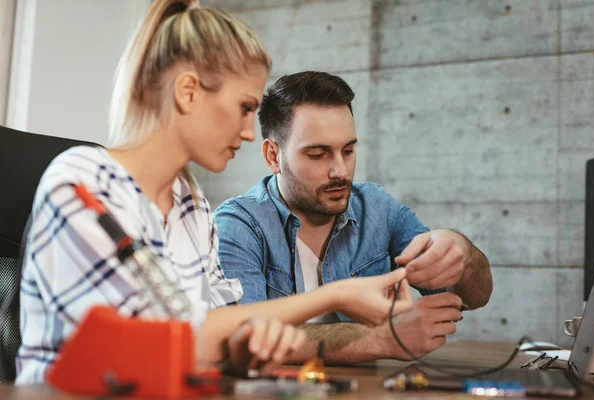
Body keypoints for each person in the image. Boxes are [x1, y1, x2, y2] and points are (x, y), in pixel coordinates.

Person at [15, 2, 413, 384]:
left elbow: (221, 332)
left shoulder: (193, 204)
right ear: (188, 91)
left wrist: (252, 345)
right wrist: (335, 296)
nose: (246, 131)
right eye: (243, 108)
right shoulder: (83, 184)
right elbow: (160, 343)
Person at [215, 71, 493, 364]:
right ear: (273, 156)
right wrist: (381, 339)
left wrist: (462, 254)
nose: (340, 171)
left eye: (347, 150)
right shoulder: (238, 225)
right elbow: (242, 340)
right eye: (318, 154)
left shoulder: (377, 208)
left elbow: (475, 297)